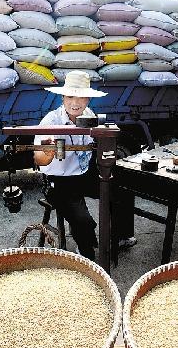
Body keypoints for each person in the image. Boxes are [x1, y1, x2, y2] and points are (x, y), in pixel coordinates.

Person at [33, 71, 136, 260]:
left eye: (81, 97)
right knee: (83, 221)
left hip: (85, 174)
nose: (75, 102)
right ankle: (87, 254)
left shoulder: (89, 115)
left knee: (123, 191)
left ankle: (119, 237)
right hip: (59, 181)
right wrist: (47, 153)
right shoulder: (51, 122)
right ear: (63, 97)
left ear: (88, 99)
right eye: (71, 96)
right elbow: (39, 159)